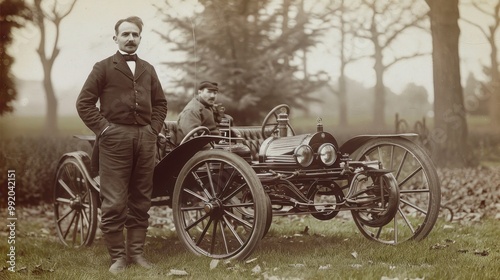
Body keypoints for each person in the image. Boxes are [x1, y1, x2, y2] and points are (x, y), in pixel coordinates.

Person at [76, 16, 167, 274]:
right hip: (115, 142)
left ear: (140, 38)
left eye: (135, 35)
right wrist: (105, 129)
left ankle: (136, 254)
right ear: (115, 38)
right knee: (115, 201)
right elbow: (84, 103)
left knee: (141, 199)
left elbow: (160, 103)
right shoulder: (103, 67)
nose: (130, 39)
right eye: (125, 34)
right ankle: (118, 257)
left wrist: (153, 130)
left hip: (146, 140)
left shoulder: (148, 69)